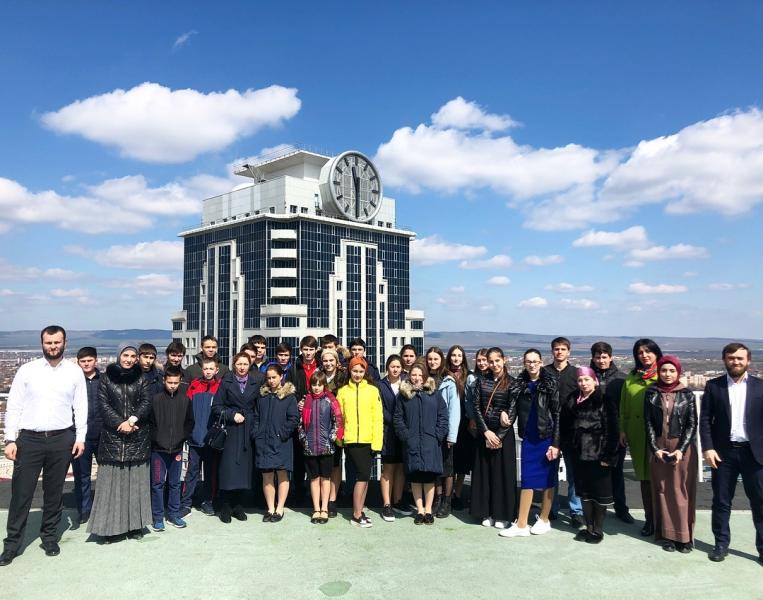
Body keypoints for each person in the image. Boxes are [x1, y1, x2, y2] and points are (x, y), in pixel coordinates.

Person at [1, 326, 87, 566]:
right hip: (29, 440)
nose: (53, 346)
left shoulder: (74, 372)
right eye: (49, 342)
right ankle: (12, 544)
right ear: (42, 343)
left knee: (54, 492)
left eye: (57, 342)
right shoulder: (27, 370)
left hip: (62, 438)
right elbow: (14, 405)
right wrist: (10, 439)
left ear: (64, 343)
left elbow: (81, 407)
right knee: (21, 493)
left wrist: (80, 437)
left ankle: (49, 537)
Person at [700, 342, 763, 563]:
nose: (735, 362)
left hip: (754, 454)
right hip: (723, 454)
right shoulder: (713, 386)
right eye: (731, 358)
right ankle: (721, 544)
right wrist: (708, 447)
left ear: (748, 361)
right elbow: (705, 419)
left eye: (740, 358)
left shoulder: (760, 386)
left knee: (760, 502)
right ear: (724, 360)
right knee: (721, 501)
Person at [88, 344, 152, 543]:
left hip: (137, 437)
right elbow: (103, 404)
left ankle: (135, 526)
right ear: (119, 356)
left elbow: (146, 402)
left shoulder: (142, 378)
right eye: (125, 355)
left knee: (136, 484)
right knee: (111, 485)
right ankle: (110, 529)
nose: (129, 359)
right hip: (112, 438)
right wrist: (119, 423)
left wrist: (131, 421)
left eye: (133, 356)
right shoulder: (106, 378)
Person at [501, 349, 560, 538]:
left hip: (547, 438)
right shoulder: (518, 384)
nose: (532, 364)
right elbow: (512, 407)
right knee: (527, 480)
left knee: (548, 479)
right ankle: (521, 524)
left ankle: (544, 519)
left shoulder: (551, 383)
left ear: (541, 362)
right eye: (528, 361)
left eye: (535, 361)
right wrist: (505, 415)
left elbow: (557, 414)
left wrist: (556, 443)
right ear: (524, 363)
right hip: (528, 437)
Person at [645, 356, 697, 553]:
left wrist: (681, 450)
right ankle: (667, 535)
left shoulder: (687, 394)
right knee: (663, 490)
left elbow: (692, 424)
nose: (667, 374)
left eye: (672, 371)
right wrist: (654, 448)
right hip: (659, 446)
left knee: (681, 490)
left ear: (678, 372)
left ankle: (684, 536)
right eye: (664, 370)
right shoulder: (651, 393)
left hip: (681, 447)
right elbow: (648, 423)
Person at [394, 361, 449, 525]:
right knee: (416, 477)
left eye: (420, 375)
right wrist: (406, 436)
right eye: (414, 374)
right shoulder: (403, 395)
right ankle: (419, 510)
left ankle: (428, 510)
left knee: (429, 477)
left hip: (430, 442)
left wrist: (438, 435)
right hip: (412, 442)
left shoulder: (434, 394)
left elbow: (443, 416)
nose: (417, 378)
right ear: (409, 376)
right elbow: (398, 418)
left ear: (425, 376)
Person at [568, 367, 619, 544]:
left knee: (599, 494)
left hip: (599, 455)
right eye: (580, 380)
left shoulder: (605, 400)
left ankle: (598, 530)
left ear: (594, 381)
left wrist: (608, 456)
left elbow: (613, 430)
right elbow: (566, 425)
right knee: (585, 493)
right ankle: (589, 527)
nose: (583, 383)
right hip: (579, 455)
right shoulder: (572, 399)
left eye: (587, 379)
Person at [211, 352, 263, 523]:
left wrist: (254, 424)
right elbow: (216, 407)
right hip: (231, 429)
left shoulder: (256, 382)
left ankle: (238, 505)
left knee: (244, 469)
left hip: (248, 428)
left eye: (245, 364)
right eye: (239, 364)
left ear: (250, 365)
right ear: (234, 365)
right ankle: (225, 505)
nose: (242, 367)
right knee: (229, 468)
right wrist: (231, 415)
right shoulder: (226, 382)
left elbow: (258, 407)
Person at [620, 338, 663, 536]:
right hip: (637, 433)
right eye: (640, 352)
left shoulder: (665, 374)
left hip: (660, 434)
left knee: (661, 479)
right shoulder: (631, 377)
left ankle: (665, 522)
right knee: (645, 479)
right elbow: (624, 407)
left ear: (656, 353)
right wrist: (623, 430)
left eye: (648, 351)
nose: (644, 355)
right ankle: (650, 520)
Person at [470, 347, 516, 530]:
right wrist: (486, 432)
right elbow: (476, 407)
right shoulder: (481, 381)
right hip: (485, 434)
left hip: (503, 436)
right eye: (491, 361)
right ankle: (486, 512)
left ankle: (502, 514)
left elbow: (512, 410)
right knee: (485, 474)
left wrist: (498, 436)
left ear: (504, 360)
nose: (494, 364)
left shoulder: (512, 383)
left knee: (502, 475)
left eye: (497, 360)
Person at [336, 356, 383, 527]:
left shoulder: (372, 391)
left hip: (368, 440)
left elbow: (378, 418)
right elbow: (339, 418)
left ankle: (360, 510)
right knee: (361, 477)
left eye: (361, 371)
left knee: (365, 477)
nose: (357, 374)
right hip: (351, 441)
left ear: (365, 372)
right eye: (355, 371)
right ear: (350, 371)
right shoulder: (343, 391)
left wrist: (377, 442)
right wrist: (340, 438)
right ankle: (356, 514)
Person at [590, 341, 632, 523]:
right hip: (592, 433)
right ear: (593, 358)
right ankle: (595, 509)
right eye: (598, 357)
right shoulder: (586, 377)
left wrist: (623, 430)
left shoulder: (621, 379)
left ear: (611, 357)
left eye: (604, 357)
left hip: (615, 434)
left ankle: (621, 508)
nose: (601, 360)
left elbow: (626, 408)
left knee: (616, 472)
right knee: (594, 473)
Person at [149, 366, 194, 531]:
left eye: (176, 383)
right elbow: (150, 423)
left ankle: (174, 514)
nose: (173, 386)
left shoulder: (185, 400)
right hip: (158, 451)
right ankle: (157, 517)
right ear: (164, 381)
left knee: (175, 483)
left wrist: (182, 438)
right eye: (170, 382)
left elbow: (190, 422)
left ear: (180, 382)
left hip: (177, 449)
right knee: (157, 484)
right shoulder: (155, 400)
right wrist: (156, 439)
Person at [254, 364, 299, 522]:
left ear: (281, 377)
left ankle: (280, 508)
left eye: (274, 377)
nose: (271, 381)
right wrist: (257, 433)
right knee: (266, 475)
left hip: (281, 442)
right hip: (263, 441)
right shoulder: (262, 396)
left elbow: (293, 419)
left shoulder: (289, 397)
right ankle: (270, 508)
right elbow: (256, 416)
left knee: (282, 474)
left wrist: (282, 434)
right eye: (269, 378)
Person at [544, 337, 582, 527]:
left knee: (574, 473)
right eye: (556, 349)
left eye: (562, 349)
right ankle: (551, 508)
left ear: (569, 351)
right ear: (552, 351)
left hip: (571, 429)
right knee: (550, 472)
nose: (559, 352)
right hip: (549, 429)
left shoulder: (576, 374)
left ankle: (576, 511)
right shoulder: (545, 372)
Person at [298, 370, 344, 524]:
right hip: (310, 447)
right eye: (314, 384)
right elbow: (300, 424)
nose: (316, 387)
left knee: (325, 479)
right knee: (313, 479)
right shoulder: (306, 400)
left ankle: (324, 508)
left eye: (319, 384)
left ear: (324, 385)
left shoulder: (330, 400)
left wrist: (331, 438)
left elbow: (337, 421)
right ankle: (316, 508)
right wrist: (304, 439)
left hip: (326, 448)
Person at [181, 356, 221, 517]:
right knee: (192, 471)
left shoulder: (220, 387)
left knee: (210, 472)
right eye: (206, 369)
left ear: (216, 370)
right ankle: (186, 503)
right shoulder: (194, 386)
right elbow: (187, 410)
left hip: (211, 439)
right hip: (195, 437)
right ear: (202, 370)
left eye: (211, 369)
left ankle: (208, 501)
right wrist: (188, 432)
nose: (208, 371)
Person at [425, 347, 460, 519]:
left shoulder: (448, 381)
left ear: (441, 360)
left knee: (447, 468)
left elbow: (454, 410)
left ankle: (447, 500)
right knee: (435, 467)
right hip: (429, 432)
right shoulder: (424, 378)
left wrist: (452, 435)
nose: (432, 362)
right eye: (430, 359)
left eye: (436, 359)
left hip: (445, 432)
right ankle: (437, 498)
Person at [453, 348, 488, 510]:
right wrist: (472, 419)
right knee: (467, 461)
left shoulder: (495, 378)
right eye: (479, 360)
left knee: (481, 464)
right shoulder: (471, 378)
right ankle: (456, 494)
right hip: (471, 426)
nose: (481, 363)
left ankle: (480, 497)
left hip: (490, 425)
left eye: (484, 360)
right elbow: (468, 400)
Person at [72, 346, 102, 525]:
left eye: (89, 360)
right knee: (82, 475)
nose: (86, 364)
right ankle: (84, 510)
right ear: (78, 362)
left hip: (102, 434)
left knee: (105, 474)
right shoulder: (73, 382)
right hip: (80, 436)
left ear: (96, 361)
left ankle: (103, 507)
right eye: (82, 361)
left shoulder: (104, 380)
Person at [320, 347, 349, 517]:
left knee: (336, 463)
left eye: (331, 360)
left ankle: (332, 499)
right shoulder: (318, 376)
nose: (328, 363)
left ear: (337, 362)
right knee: (324, 463)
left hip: (339, 424)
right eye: (325, 360)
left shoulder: (344, 376)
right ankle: (322, 498)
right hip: (321, 425)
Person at [378, 355, 406, 521]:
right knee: (388, 468)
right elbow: (380, 408)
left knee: (401, 467)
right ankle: (387, 504)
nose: (395, 369)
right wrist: (395, 421)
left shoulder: (407, 383)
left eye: (398, 367)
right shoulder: (381, 385)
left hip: (403, 433)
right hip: (388, 432)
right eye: (392, 366)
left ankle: (398, 500)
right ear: (387, 367)